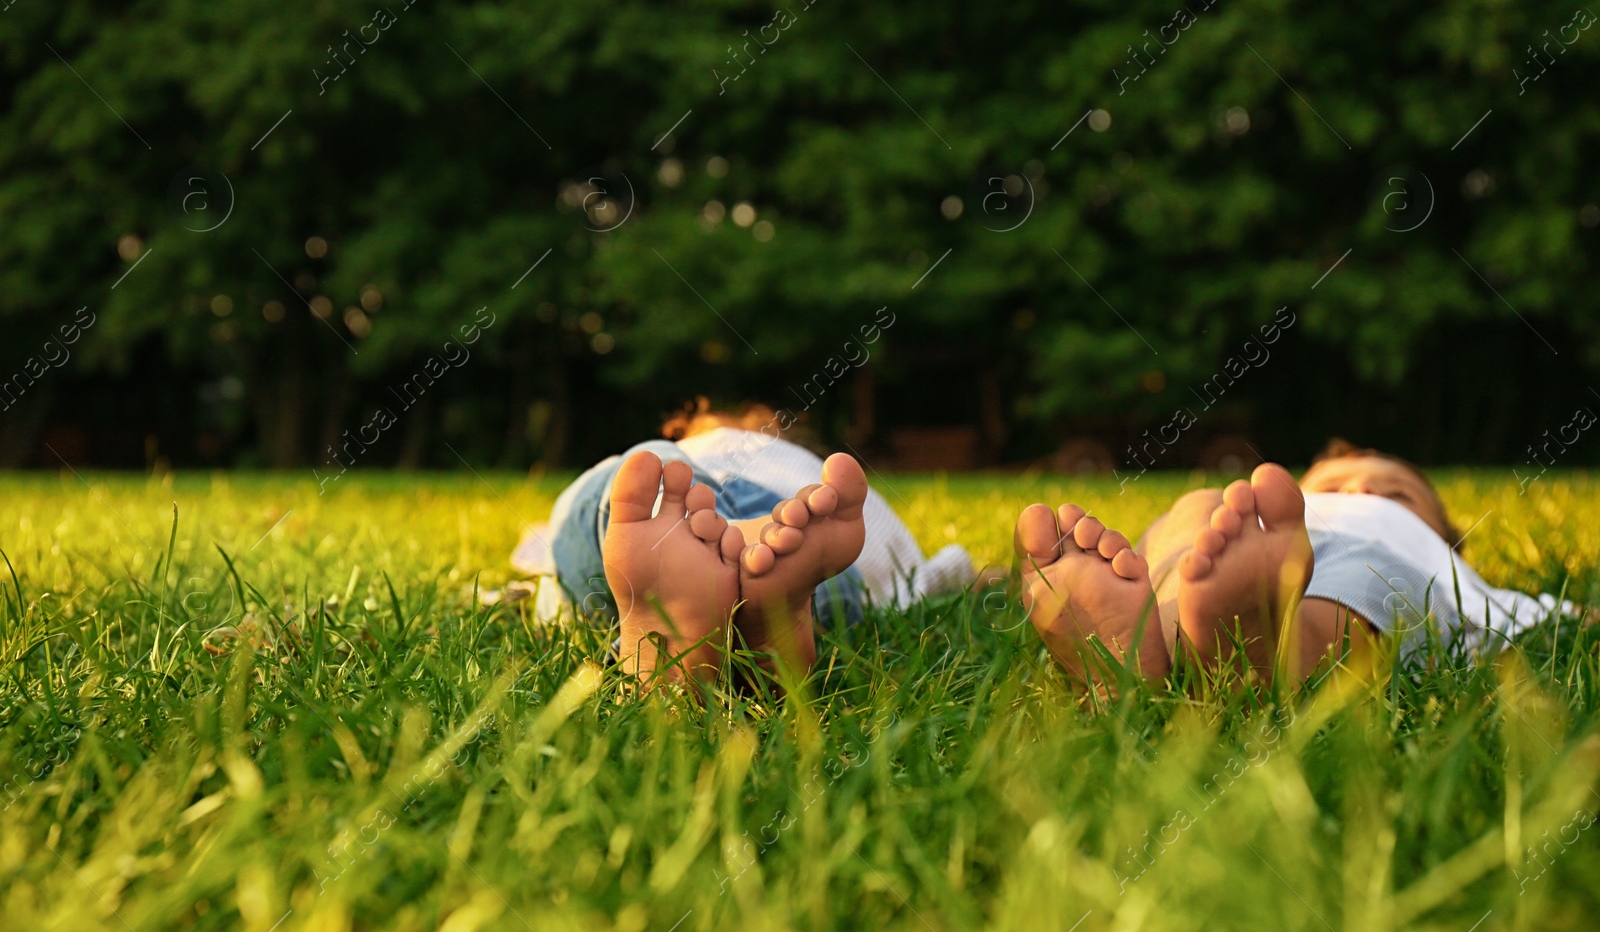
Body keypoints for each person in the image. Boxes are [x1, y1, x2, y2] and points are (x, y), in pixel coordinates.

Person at [1013, 440, 1561, 686]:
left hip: (1359, 567)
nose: (1364, 489)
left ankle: (1273, 643)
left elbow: (1559, 616)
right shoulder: (1274, 519)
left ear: (1447, 541)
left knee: (1355, 591)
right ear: (1305, 492)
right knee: (1197, 516)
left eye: (1397, 495)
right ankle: (1156, 635)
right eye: (1336, 485)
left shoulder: (1447, 569)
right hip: (1268, 546)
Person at [508, 400, 975, 686]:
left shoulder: (697, 447)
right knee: (830, 585)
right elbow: (926, 572)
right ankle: (770, 615)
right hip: (784, 513)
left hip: (670, 509)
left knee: (639, 475)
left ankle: (691, 590)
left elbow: (542, 555)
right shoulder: (802, 475)